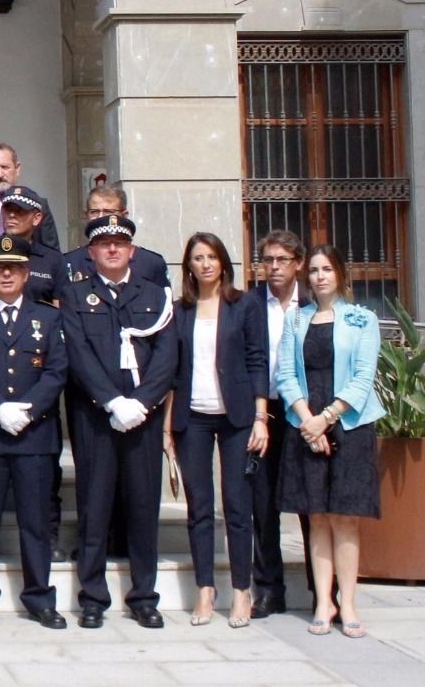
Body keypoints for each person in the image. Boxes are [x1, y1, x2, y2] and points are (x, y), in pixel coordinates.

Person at [61, 216, 178, 629]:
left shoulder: (156, 295)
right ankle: (92, 596)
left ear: (132, 251)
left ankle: (144, 596)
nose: (112, 249)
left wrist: (142, 404)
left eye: (119, 243)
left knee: (143, 508)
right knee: (94, 508)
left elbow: (167, 357)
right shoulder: (75, 295)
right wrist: (112, 402)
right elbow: (77, 354)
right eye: (103, 244)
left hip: (142, 422)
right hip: (96, 418)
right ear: (90, 253)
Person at [0, 235, 70, 630]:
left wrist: (29, 410)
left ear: (26, 273)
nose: (7, 273)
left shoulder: (49, 318)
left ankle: (40, 598)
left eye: (15, 267)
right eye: (0, 268)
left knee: (35, 523)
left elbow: (56, 372)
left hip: (34, 436)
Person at [275, 245, 385, 639]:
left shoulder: (362, 319)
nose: (320, 276)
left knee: (344, 517)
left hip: (349, 425)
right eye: (315, 270)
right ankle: (324, 600)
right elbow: (285, 375)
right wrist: (308, 421)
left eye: (327, 269)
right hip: (305, 426)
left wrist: (327, 418)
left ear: (340, 273)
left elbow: (363, 376)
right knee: (316, 516)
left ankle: (349, 602)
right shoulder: (296, 320)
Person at [166, 232, 269, 628]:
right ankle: (205, 589)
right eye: (197, 258)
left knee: (238, 506)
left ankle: (242, 590)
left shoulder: (244, 305)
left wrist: (261, 417)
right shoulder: (182, 310)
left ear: (223, 262)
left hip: (238, 418)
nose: (205, 264)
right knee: (199, 508)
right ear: (188, 266)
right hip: (193, 418)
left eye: (211, 257)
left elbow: (258, 359)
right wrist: (167, 431)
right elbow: (175, 372)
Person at [249, 229, 305, 618]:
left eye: (282, 260)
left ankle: (324, 589)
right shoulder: (250, 304)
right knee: (263, 503)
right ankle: (269, 589)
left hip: (305, 412)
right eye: (268, 260)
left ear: (298, 263)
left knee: (310, 502)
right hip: (263, 411)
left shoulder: (314, 305)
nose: (274, 267)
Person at [0, 185, 64, 309]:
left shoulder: (53, 260)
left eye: (20, 210)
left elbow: (59, 315)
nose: (12, 215)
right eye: (8, 209)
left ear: (36, 218)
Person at [62, 185, 168, 288]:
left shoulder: (151, 263)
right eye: (94, 212)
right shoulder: (69, 262)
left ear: (124, 215)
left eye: (109, 212)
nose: (100, 217)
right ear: (86, 215)